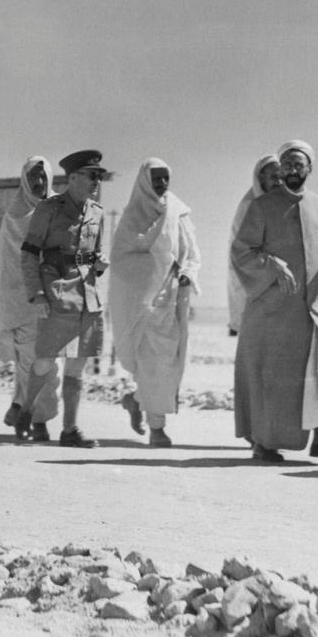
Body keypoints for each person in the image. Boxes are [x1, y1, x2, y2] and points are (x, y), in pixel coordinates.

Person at [232, 139, 318, 462]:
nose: (293, 170)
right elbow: (242, 251)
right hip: (277, 309)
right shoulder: (262, 206)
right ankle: (266, 443)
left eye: (299, 165)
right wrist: (272, 265)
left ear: (309, 168)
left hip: (316, 304)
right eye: (287, 165)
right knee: (278, 379)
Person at [20, 149, 110, 448]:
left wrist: (98, 263)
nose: (97, 181)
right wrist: (36, 294)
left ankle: (70, 429)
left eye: (99, 176)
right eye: (91, 176)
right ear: (72, 178)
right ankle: (26, 413)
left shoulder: (97, 212)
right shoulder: (49, 209)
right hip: (56, 292)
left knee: (77, 367)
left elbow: (91, 253)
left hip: (87, 296)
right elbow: (30, 254)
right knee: (45, 360)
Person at [110, 158, 200, 446]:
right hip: (143, 304)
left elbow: (190, 254)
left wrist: (186, 273)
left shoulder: (178, 212)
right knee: (151, 364)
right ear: (144, 181)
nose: (161, 185)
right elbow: (122, 258)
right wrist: (151, 273)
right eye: (156, 179)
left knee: (167, 365)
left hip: (171, 300)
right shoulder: (131, 217)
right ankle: (157, 428)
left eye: (165, 179)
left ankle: (136, 400)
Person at [0, 155, 50, 440]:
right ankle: (32, 418)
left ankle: (21, 409)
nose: (39, 183)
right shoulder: (15, 215)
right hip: (23, 301)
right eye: (33, 178)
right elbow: (12, 264)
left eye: (43, 177)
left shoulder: (55, 211)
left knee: (43, 361)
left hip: (52, 297)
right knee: (31, 361)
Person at [227, 155, 280, 336]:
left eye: (282, 177)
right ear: (261, 178)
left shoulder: (283, 205)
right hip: (255, 286)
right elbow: (243, 252)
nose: (279, 182)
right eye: (274, 177)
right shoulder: (249, 206)